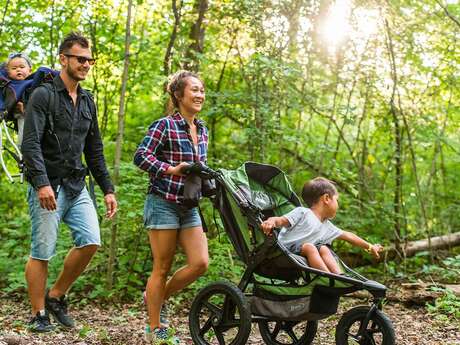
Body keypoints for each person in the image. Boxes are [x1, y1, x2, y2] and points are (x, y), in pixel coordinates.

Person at [21, 32, 117, 333]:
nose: (86, 64)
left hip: (77, 185)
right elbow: (31, 144)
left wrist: (108, 188)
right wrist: (41, 183)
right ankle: (38, 314)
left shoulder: (88, 101)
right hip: (47, 185)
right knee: (42, 250)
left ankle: (56, 295)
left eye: (90, 60)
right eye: (80, 59)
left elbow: (95, 149)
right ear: (64, 59)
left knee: (91, 241)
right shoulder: (43, 95)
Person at [133, 70, 209, 344]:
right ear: (179, 95)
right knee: (162, 267)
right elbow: (140, 156)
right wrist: (169, 169)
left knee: (200, 263)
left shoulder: (203, 129)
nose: (200, 95)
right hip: (162, 202)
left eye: (202, 90)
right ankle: (157, 328)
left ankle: (155, 296)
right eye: (194, 90)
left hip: (189, 205)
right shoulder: (164, 125)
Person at [261, 177, 382, 274]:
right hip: (283, 252)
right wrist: (271, 221)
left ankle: (339, 277)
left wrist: (370, 247)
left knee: (323, 248)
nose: (338, 205)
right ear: (327, 198)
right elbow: (280, 220)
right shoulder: (302, 212)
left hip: (301, 254)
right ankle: (326, 278)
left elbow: (349, 236)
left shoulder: (327, 225)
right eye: (337, 200)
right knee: (310, 247)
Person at [2, 52, 32, 145]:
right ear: (8, 73)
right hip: (22, 119)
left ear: (30, 70)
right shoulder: (9, 86)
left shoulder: (35, 82)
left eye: (22, 67)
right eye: (14, 68)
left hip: (37, 117)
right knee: (25, 143)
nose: (18, 70)